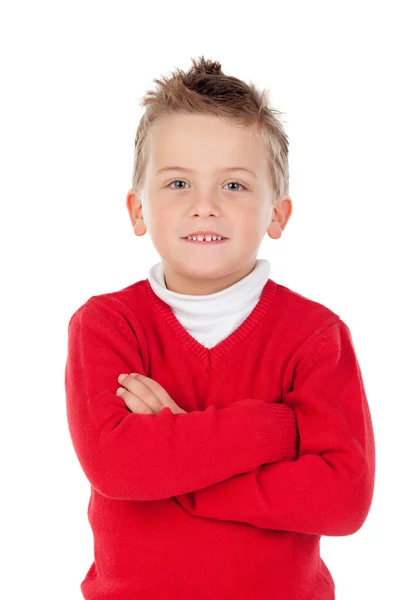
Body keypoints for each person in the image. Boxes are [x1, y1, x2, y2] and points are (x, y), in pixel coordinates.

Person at [65, 55, 376, 600]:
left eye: (234, 186)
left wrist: (179, 457)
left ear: (277, 215)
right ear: (138, 210)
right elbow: (118, 468)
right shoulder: (107, 325)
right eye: (179, 182)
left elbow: (342, 500)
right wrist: (275, 429)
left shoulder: (315, 335)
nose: (204, 206)